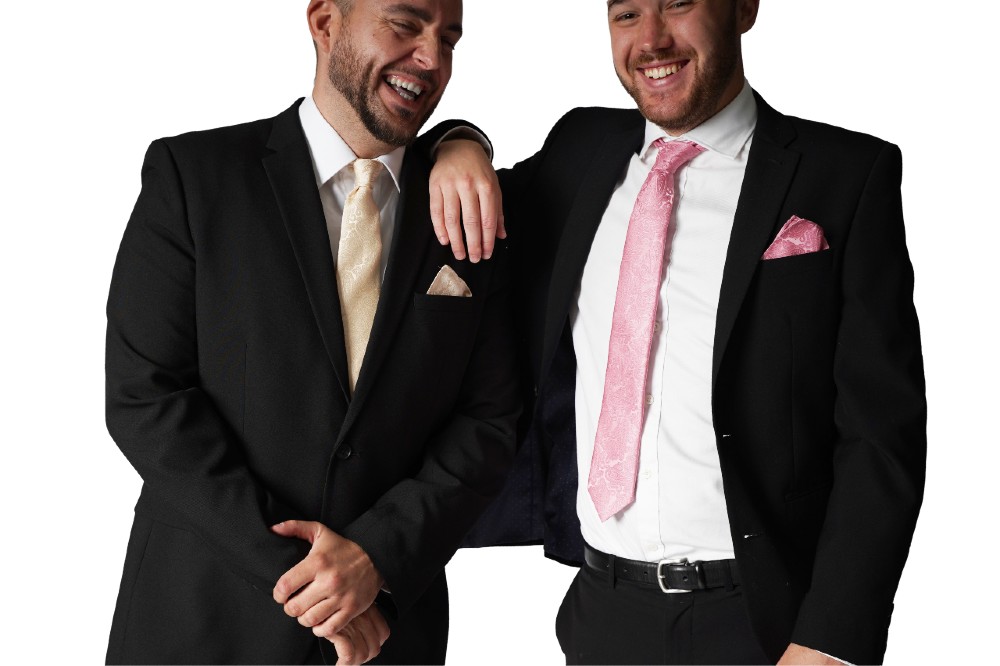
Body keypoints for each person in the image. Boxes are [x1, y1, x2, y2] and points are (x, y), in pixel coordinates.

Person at [429, 0, 926, 663]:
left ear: (743, 8)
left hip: (767, 623)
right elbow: (473, 202)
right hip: (602, 612)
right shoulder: (581, 152)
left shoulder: (844, 174)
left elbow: (882, 436)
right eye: (627, 14)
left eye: (679, 4)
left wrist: (833, 637)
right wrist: (457, 141)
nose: (652, 39)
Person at [104, 0, 519, 663]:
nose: (433, 58)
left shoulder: (471, 213)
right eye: (406, 24)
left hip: (388, 632)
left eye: (449, 39)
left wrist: (378, 560)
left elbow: (490, 423)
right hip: (200, 623)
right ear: (325, 22)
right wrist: (314, 585)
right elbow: (145, 398)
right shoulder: (194, 178)